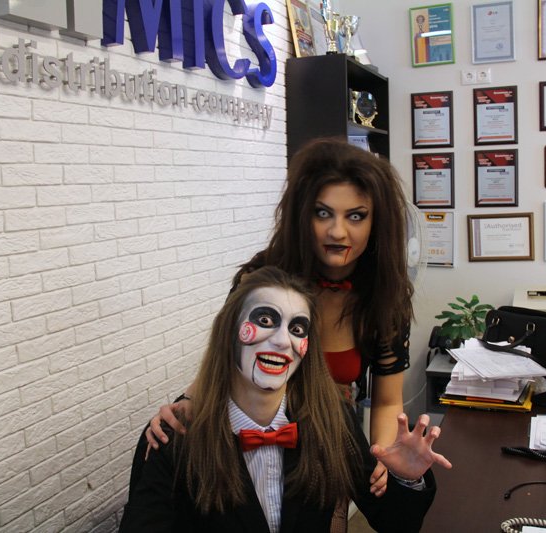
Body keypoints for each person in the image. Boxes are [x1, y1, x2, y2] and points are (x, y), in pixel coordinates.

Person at [147, 138, 417, 497]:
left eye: (356, 216)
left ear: (377, 221)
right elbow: (224, 358)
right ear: (302, 214)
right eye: (323, 213)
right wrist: (187, 403)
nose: (337, 232)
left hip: (325, 448)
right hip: (245, 446)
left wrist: (382, 454)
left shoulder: (383, 298)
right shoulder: (260, 280)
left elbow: (386, 400)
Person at [118, 267, 450, 532]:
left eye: (297, 329)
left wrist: (407, 478)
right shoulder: (173, 436)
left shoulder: (332, 420)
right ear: (229, 332)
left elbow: (396, 523)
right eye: (265, 320)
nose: (282, 341)